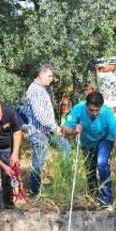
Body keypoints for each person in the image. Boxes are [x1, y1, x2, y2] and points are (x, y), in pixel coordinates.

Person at [62, 92, 116, 206]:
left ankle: (106, 197)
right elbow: (65, 130)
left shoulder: (107, 113)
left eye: (97, 110)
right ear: (86, 105)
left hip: (104, 139)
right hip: (87, 143)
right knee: (90, 170)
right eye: (91, 110)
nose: (95, 113)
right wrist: (74, 131)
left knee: (102, 163)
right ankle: (92, 193)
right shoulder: (78, 109)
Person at [23, 63, 70, 197]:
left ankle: (66, 180)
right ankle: (34, 191)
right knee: (39, 161)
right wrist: (55, 127)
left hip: (47, 131)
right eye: (49, 76)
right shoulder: (36, 91)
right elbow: (40, 116)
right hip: (39, 133)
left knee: (65, 147)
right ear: (41, 74)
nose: (51, 79)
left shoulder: (40, 89)